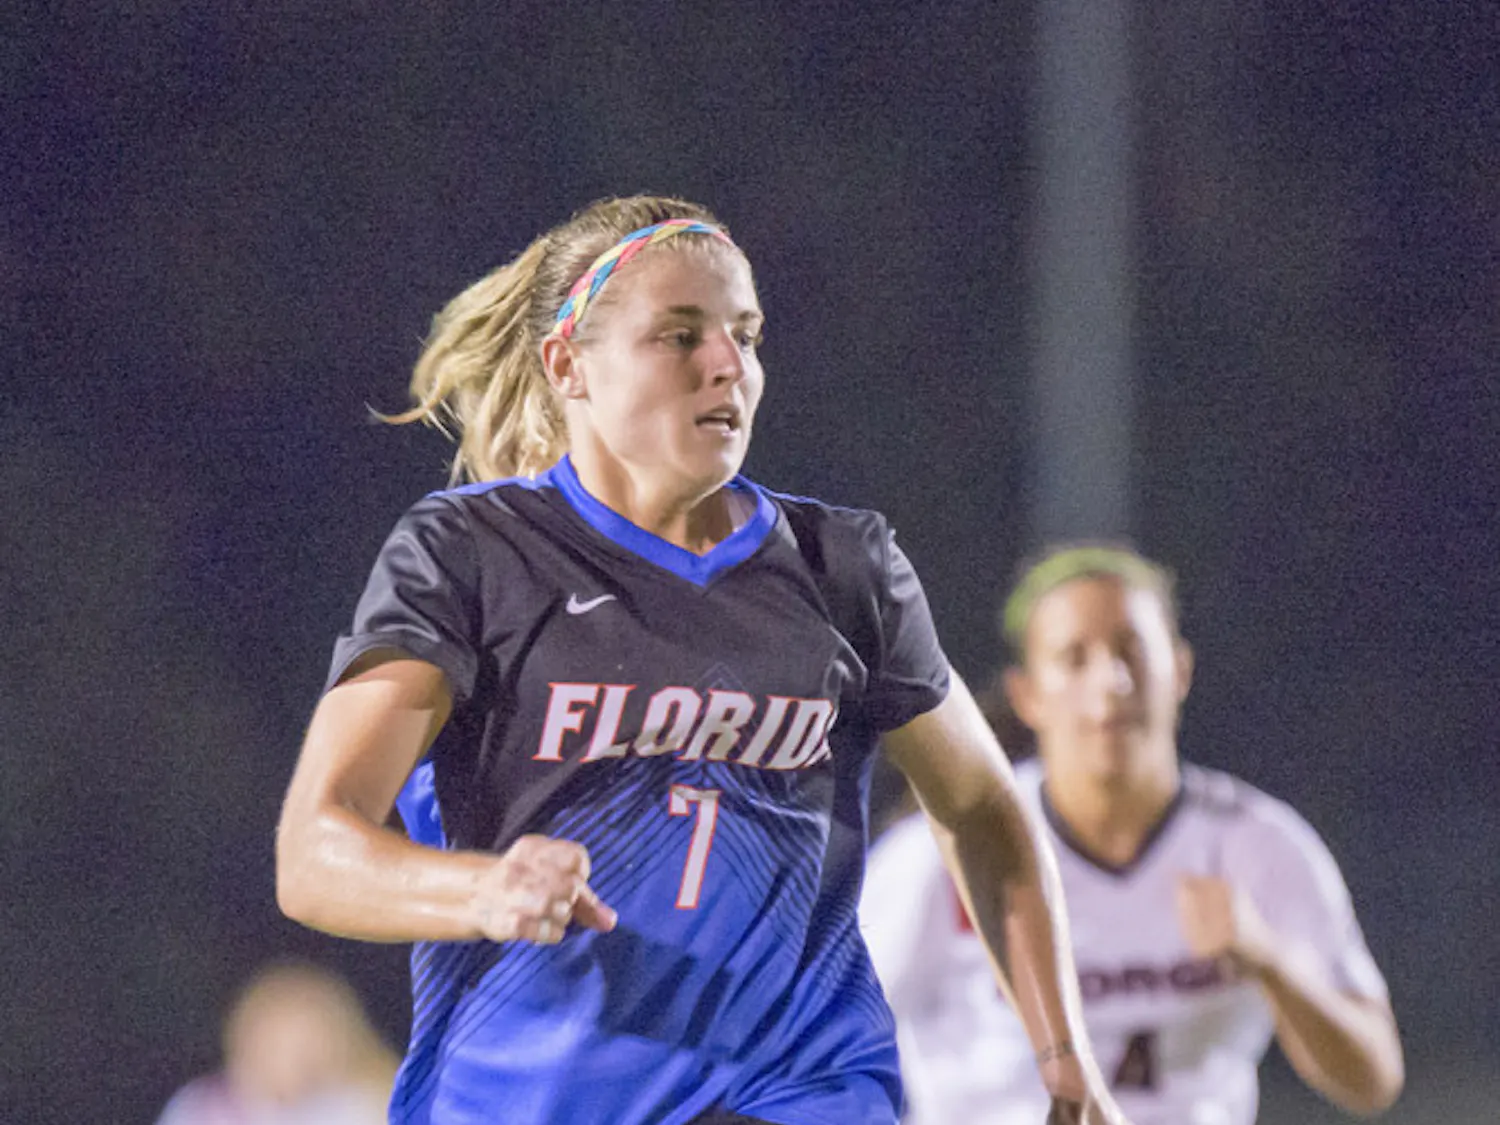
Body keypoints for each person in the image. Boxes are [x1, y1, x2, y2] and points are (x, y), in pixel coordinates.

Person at [274, 195, 1131, 1125]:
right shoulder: (474, 553)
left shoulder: (841, 567)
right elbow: (315, 854)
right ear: (568, 365)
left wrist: (1064, 1057)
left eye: (746, 334)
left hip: (801, 1089)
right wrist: (484, 887)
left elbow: (981, 805)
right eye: (679, 335)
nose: (729, 365)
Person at [860, 546, 1405, 1124]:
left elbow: (1374, 1079)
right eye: (1075, 658)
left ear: (1181, 670)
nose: (1111, 681)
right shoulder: (952, 851)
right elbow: (811, 1044)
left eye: (1131, 651)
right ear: (1027, 695)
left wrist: (1272, 961)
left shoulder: (1256, 845)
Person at [155, 960, 398, 1125]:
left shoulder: (364, 1106)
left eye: (304, 1044)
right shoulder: (201, 1108)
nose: (290, 1058)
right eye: (276, 1042)